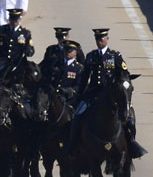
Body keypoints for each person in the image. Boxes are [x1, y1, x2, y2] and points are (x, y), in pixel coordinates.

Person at [66, 28, 147, 158]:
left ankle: (131, 143)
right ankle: (73, 144)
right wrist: (80, 94)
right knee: (77, 115)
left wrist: (119, 82)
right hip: (93, 93)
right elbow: (85, 77)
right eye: (97, 39)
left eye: (101, 39)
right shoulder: (91, 56)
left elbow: (125, 73)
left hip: (112, 94)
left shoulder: (114, 56)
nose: (99, 42)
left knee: (129, 117)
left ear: (107, 39)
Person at [0, 9, 34, 87]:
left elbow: (31, 50)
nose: (14, 22)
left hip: (16, 64)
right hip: (0, 63)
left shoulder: (25, 33)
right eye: (12, 19)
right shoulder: (1, 30)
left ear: (20, 19)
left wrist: (28, 50)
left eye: (16, 20)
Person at [46, 40, 84, 107]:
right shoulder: (56, 64)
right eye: (66, 50)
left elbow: (79, 86)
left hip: (68, 99)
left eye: (70, 51)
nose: (67, 53)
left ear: (75, 52)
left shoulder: (78, 68)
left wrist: (69, 90)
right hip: (52, 96)